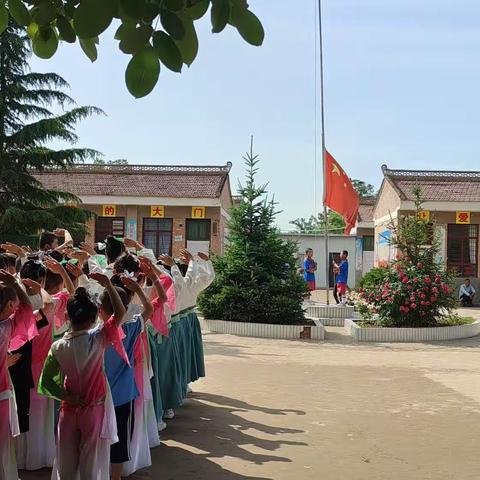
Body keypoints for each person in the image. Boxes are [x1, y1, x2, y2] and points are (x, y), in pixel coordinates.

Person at [38, 274, 127, 480]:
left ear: (68, 317)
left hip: (69, 410)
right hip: (93, 409)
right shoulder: (99, 338)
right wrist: (107, 285)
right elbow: (120, 312)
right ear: (95, 316)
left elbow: (46, 382)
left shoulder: (58, 346)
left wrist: (67, 397)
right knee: (91, 462)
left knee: (66, 463)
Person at [0, 270, 35, 479]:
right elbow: (28, 308)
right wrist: (14, 281)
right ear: (9, 306)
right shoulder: (5, 328)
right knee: (3, 445)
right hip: (2, 392)